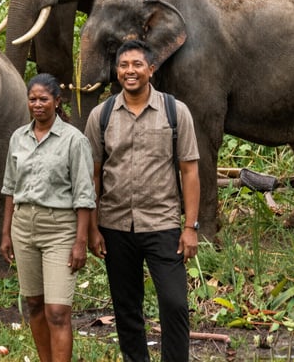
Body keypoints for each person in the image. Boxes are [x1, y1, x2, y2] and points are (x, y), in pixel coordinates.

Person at [85, 40, 200, 362]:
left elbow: (190, 171)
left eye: (137, 64)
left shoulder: (175, 112)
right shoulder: (101, 115)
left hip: (162, 223)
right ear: (116, 71)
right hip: (115, 225)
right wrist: (92, 228)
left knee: (175, 303)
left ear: (151, 69)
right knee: (126, 307)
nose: (130, 71)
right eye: (123, 65)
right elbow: (93, 176)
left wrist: (190, 227)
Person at [0, 73, 96, 362]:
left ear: (57, 101)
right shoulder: (19, 138)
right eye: (33, 99)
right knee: (34, 303)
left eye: (44, 99)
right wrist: (6, 233)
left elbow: (84, 195)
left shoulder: (74, 140)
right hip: (23, 227)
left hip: (59, 229)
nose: (37, 104)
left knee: (57, 311)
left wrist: (81, 241)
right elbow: (10, 188)